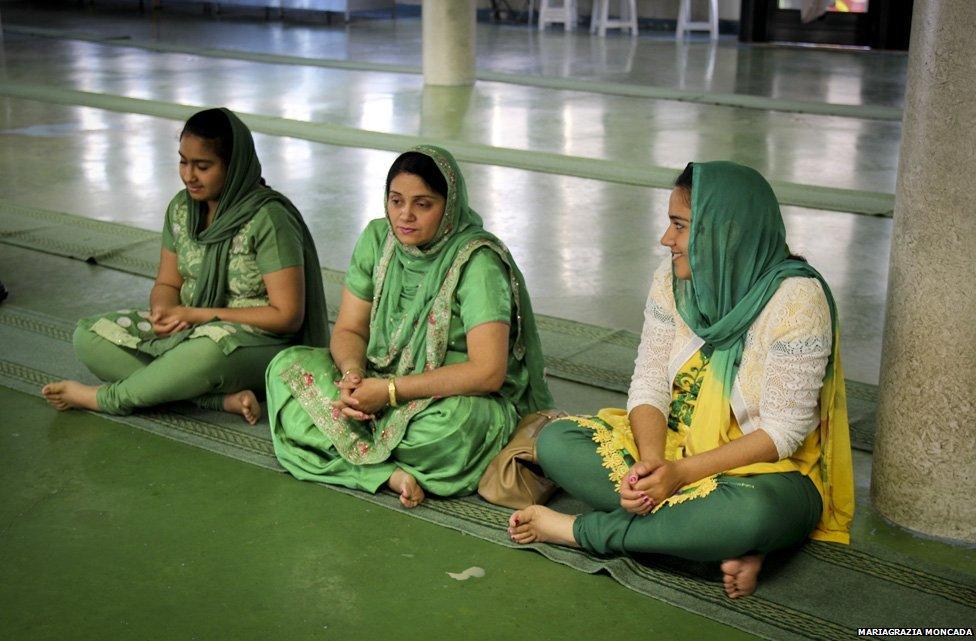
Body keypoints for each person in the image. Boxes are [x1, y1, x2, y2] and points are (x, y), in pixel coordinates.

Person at [508, 161, 854, 599]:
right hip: (675, 447)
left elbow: (783, 433)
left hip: (767, 474)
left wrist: (680, 475)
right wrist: (652, 466)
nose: (666, 239)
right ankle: (715, 537)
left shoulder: (797, 300)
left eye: (679, 225)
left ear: (723, 231)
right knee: (558, 441)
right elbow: (649, 381)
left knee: (753, 513)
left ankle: (581, 530)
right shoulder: (673, 280)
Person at [265, 145, 552, 508]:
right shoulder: (377, 239)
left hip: (451, 399)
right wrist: (353, 377)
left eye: (423, 204)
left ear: (448, 206)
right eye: (396, 200)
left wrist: (388, 393)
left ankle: (347, 454)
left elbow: (488, 372)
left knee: (454, 431)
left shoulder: (477, 264)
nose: (405, 216)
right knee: (284, 370)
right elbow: (350, 328)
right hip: (375, 381)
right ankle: (385, 473)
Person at [42, 108, 327, 424]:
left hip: (259, 345)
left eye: (203, 166)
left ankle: (108, 399)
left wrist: (198, 315)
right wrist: (163, 313)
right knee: (89, 336)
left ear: (234, 167)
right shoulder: (182, 209)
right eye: (183, 162)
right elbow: (168, 284)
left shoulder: (269, 219)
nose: (189, 175)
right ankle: (216, 400)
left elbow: (287, 317)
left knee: (206, 352)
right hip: (190, 331)